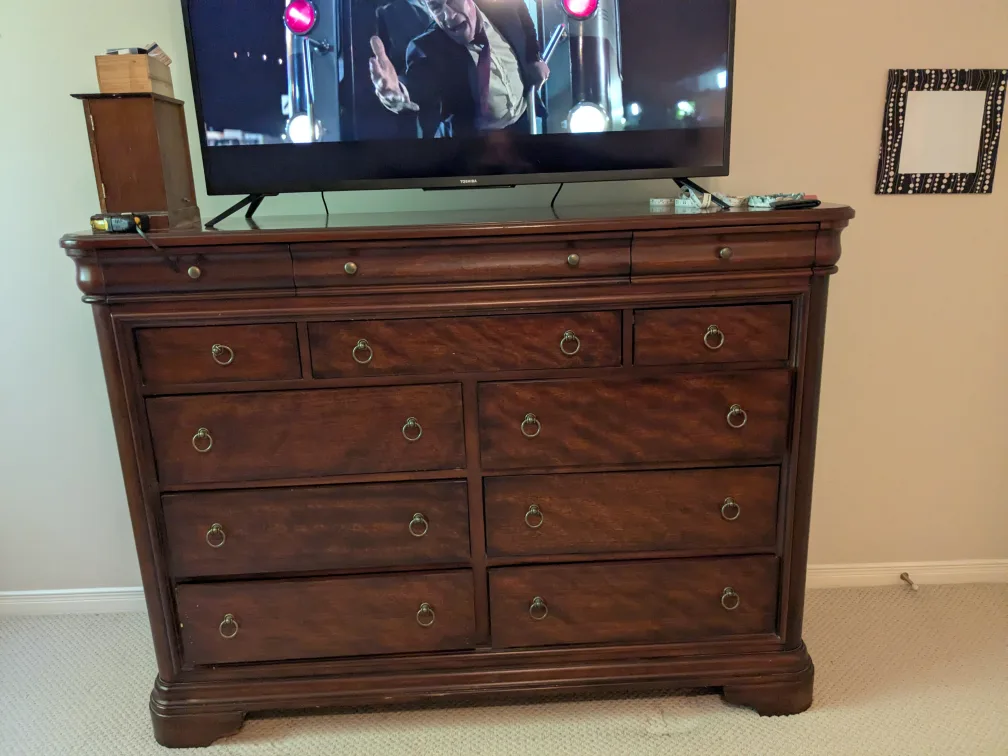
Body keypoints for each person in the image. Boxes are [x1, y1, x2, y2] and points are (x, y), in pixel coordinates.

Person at [369, 0, 550, 138]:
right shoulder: (427, 48)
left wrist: (534, 58)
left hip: (524, 118)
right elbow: (419, 84)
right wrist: (400, 94)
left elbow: (523, 17)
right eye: (436, 6)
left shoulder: (501, 6)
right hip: (475, 146)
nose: (448, 16)